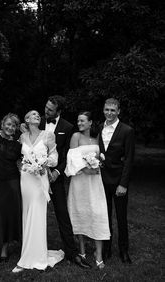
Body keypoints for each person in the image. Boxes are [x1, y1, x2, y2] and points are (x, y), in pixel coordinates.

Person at [39, 95, 91, 268]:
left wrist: (57, 172)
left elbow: (67, 154)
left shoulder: (67, 127)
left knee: (62, 214)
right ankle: (32, 249)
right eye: (46, 107)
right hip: (35, 178)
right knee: (34, 214)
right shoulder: (37, 122)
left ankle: (72, 253)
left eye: (50, 109)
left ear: (59, 111)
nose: (46, 111)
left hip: (55, 178)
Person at [12, 110, 64, 273]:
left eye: (37, 115)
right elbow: (17, 157)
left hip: (40, 179)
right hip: (26, 179)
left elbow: (55, 155)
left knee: (38, 214)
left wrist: (45, 163)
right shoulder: (22, 137)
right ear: (27, 120)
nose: (36, 116)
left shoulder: (48, 135)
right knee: (27, 214)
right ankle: (27, 254)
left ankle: (38, 256)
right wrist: (22, 167)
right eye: (32, 115)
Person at [65, 111, 110, 269]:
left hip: (95, 183)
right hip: (80, 182)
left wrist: (98, 165)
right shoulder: (76, 137)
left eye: (83, 121)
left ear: (91, 122)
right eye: (78, 121)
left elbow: (100, 157)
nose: (79, 123)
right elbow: (71, 159)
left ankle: (98, 253)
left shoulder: (96, 138)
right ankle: (82, 251)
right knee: (80, 213)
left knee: (98, 213)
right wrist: (86, 170)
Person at [98, 98, 135, 264]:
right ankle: (106, 250)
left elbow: (129, 159)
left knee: (121, 217)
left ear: (118, 111)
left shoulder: (127, 130)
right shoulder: (99, 128)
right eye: (107, 110)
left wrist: (123, 184)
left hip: (119, 180)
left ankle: (124, 250)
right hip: (101, 180)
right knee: (104, 216)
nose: (109, 113)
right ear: (103, 110)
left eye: (113, 110)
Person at [0, 113, 22, 262]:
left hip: (12, 182)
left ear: (16, 129)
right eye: (8, 124)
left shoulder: (18, 145)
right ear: (2, 124)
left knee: (9, 214)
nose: (10, 127)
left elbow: (22, 163)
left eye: (13, 125)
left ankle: (5, 245)